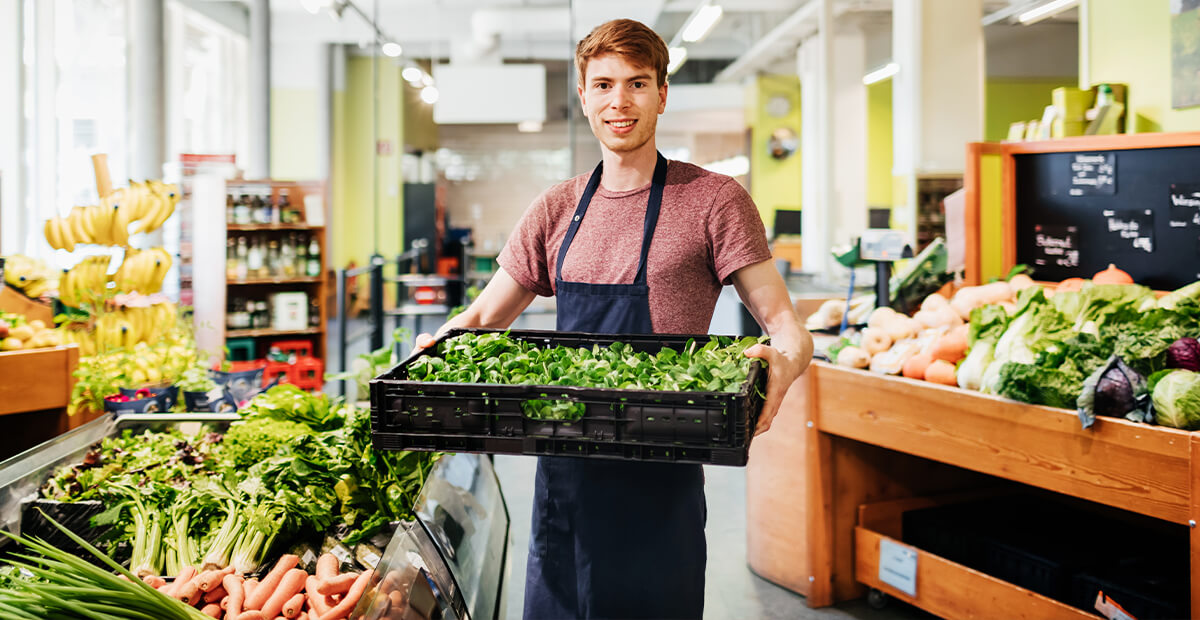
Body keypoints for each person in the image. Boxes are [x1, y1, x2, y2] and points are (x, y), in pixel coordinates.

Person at [416, 18, 813, 620]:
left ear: (662, 94)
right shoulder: (555, 208)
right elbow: (481, 318)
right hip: (566, 473)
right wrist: (437, 349)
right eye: (603, 85)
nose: (619, 102)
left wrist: (783, 364)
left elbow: (784, 324)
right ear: (584, 96)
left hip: (664, 473)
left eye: (637, 83)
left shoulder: (714, 200)